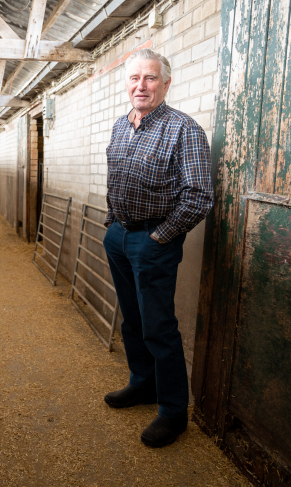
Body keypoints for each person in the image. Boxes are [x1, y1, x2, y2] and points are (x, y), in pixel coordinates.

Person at [102, 49, 214, 447]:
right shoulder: (120, 125)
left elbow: (199, 196)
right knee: (132, 321)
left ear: (166, 83)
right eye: (134, 78)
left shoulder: (184, 129)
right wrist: (111, 224)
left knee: (158, 327)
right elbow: (116, 178)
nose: (141, 85)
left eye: (150, 78)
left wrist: (159, 238)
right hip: (119, 236)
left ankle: (172, 411)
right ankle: (142, 384)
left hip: (154, 241)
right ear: (126, 83)